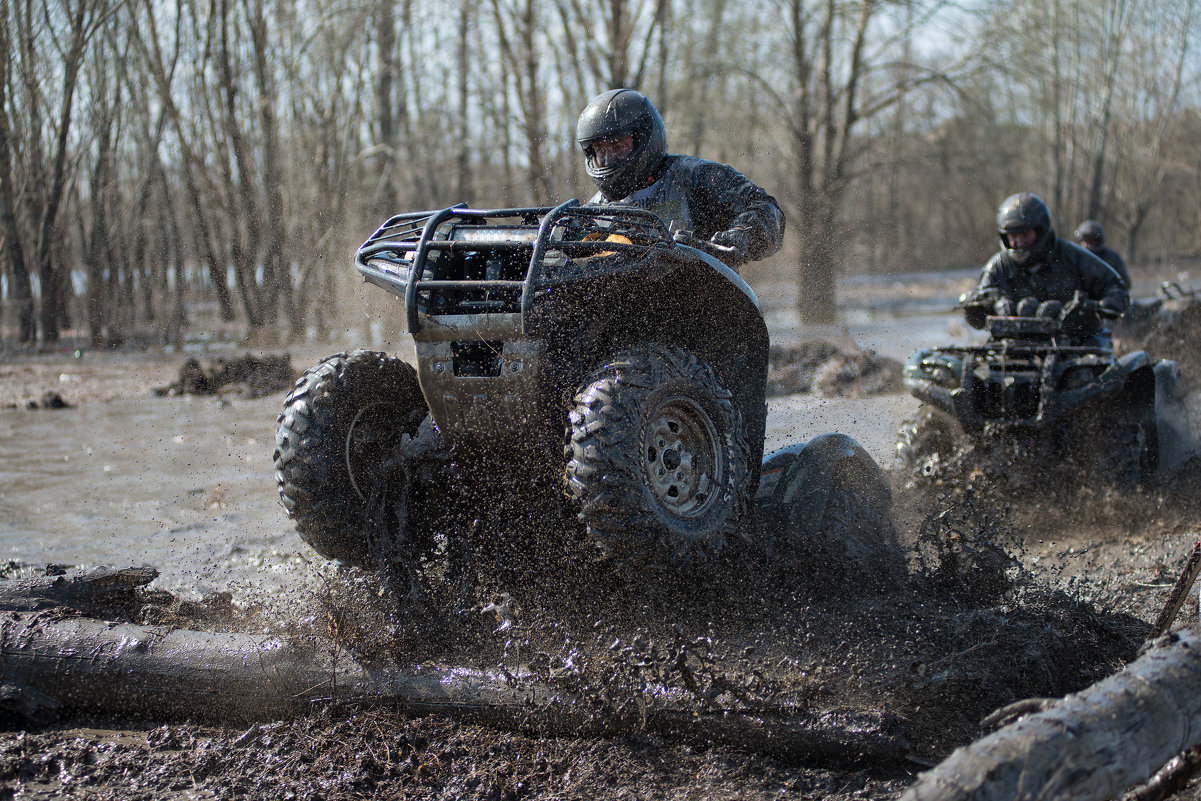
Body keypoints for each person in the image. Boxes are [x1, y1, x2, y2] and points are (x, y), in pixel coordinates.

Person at [576, 87, 785, 269]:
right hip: (621, 309)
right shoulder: (595, 212)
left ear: (644, 137)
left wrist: (737, 239)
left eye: (618, 146)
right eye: (600, 150)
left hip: (700, 304)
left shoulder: (694, 177)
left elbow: (766, 208)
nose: (609, 158)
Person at [960, 193, 1129, 344]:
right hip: (1014, 349)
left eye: (1024, 235)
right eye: (1012, 236)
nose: (1018, 243)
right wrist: (975, 307)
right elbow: (978, 317)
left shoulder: (1072, 256)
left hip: (1076, 344)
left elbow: (1116, 286)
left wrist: (1099, 306)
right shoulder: (997, 266)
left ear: (1040, 231)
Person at [1073, 219, 1131, 289]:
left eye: (1091, 241)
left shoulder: (1111, 257)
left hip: (1105, 295)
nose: (1088, 245)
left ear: (1098, 241)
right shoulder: (1075, 257)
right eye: (1086, 241)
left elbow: (1125, 283)